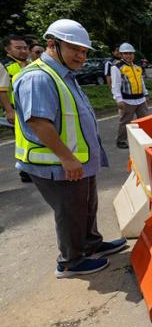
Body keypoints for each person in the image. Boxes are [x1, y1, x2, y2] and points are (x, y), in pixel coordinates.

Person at [13, 19, 126, 278]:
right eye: (75, 48)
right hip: (58, 164)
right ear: (52, 44)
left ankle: (91, 243)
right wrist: (67, 158)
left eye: (84, 51)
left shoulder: (65, 75)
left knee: (86, 205)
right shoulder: (38, 78)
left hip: (77, 160)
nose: (81, 55)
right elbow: (39, 123)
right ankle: (70, 261)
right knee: (70, 211)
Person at [1, 34, 32, 182]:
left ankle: (32, 168)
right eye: (18, 48)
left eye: (25, 48)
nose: (23, 51)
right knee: (23, 141)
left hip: (31, 108)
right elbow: (2, 91)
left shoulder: (29, 63)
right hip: (17, 110)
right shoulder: (6, 67)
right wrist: (9, 110)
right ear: (8, 49)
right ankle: (25, 171)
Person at [110, 42, 149, 149]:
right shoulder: (117, 67)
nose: (129, 56)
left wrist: (145, 94)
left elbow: (141, 82)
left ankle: (145, 139)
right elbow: (116, 85)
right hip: (127, 100)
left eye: (131, 53)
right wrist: (118, 99)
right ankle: (121, 140)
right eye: (126, 53)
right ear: (121, 55)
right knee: (125, 121)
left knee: (145, 120)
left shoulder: (137, 67)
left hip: (140, 99)